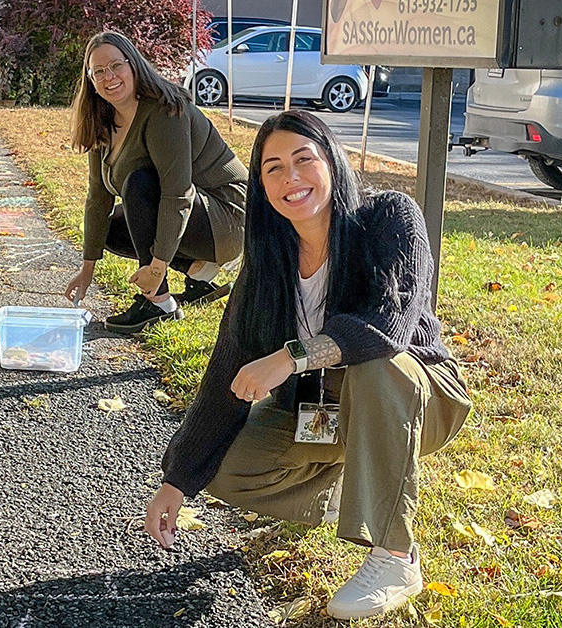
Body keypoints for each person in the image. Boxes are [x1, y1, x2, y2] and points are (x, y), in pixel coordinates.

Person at [144, 110, 473, 621]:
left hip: (418, 397)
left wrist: (290, 356)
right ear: (261, 186)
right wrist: (179, 478)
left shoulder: (389, 217)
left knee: (373, 364)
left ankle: (394, 555)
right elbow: (227, 371)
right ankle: (350, 490)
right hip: (327, 413)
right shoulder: (269, 262)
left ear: (333, 162)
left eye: (304, 159)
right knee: (227, 469)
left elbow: (387, 327)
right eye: (272, 168)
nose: (290, 178)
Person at [64, 31, 248, 334]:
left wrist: (157, 267)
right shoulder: (103, 121)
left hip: (227, 219)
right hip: (196, 214)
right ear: (91, 81)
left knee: (139, 184)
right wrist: (87, 270)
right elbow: (98, 199)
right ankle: (198, 273)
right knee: (112, 229)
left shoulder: (164, 110)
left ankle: (159, 303)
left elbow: (178, 194)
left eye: (116, 66)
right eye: (98, 71)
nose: (109, 77)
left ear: (133, 64)